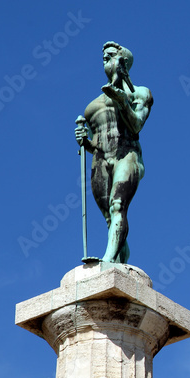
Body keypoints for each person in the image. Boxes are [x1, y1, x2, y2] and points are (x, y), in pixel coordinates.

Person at [74, 41, 153, 263]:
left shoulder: (140, 93)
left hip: (127, 155)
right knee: (110, 218)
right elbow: (98, 143)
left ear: (123, 61)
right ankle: (120, 262)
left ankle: (107, 260)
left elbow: (136, 125)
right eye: (104, 57)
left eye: (110, 56)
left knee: (117, 205)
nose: (104, 59)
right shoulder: (94, 104)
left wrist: (121, 101)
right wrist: (85, 142)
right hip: (100, 159)